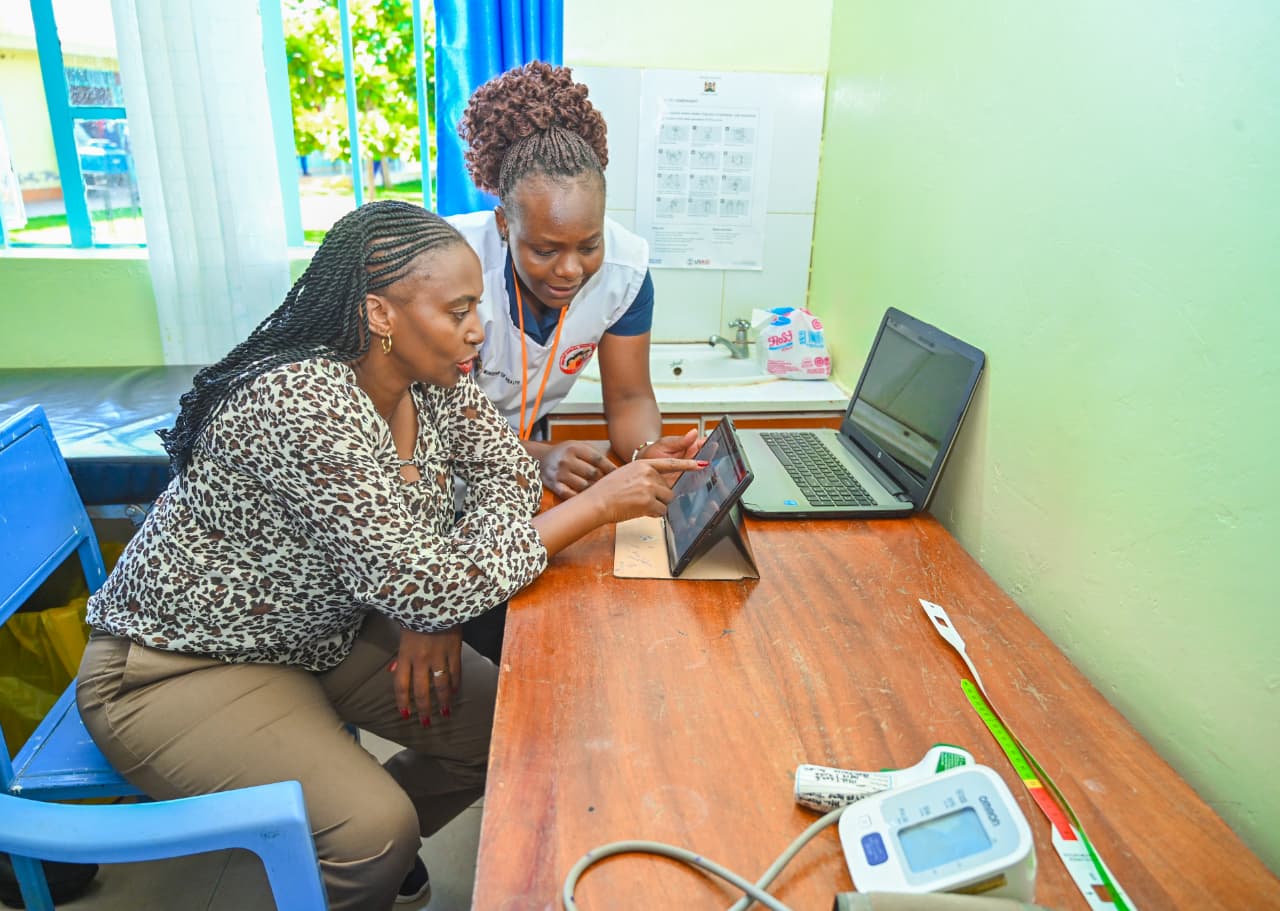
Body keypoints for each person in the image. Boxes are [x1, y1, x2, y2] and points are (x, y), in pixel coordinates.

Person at [74, 200, 705, 911]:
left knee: (520, 728)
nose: (478, 329)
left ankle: (353, 848)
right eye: (459, 310)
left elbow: (508, 475)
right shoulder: (301, 401)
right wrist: (591, 508)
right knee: (373, 830)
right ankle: (363, 848)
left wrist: (435, 605)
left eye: (477, 306)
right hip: (179, 666)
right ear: (380, 314)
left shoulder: (433, 378)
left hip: (317, 633)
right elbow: (423, 583)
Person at [450, 62, 701, 659]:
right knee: (482, 638)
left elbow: (631, 397)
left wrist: (645, 455)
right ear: (503, 223)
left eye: (589, 245)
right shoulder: (449, 264)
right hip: (433, 481)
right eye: (544, 249)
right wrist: (537, 456)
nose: (569, 270)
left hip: (518, 478)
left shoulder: (626, 274)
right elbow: (416, 426)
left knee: (547, 633)